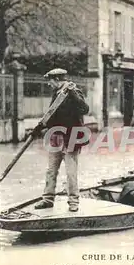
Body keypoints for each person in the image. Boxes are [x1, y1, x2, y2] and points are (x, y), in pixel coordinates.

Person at [32, 68, 90, 212]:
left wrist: (72, 94)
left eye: (50, 81)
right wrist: (40, 128)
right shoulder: (56, 93)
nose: (49, 84)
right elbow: (52, 115)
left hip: (71, 139)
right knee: (51, 170)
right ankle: (47, 199)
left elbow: (85, 109)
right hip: (55, 138)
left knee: (71, 172)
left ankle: (73, 202)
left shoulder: (74, 90)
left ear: (57, 79)